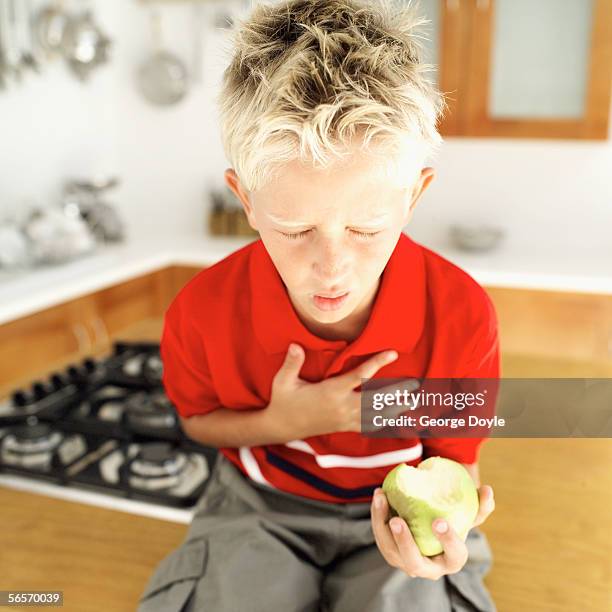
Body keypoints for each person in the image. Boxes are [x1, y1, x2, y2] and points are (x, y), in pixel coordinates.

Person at [138, 1, 499, 610]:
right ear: (245, 200)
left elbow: (452, 462)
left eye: (365, 229)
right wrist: (283, 425)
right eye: (295, 229)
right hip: (258, 507)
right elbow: (197, 420)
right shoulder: (201, 312)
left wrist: (444, 538)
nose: (331, 267)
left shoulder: (461, 314)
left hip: (386, 514)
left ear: (414, 195)